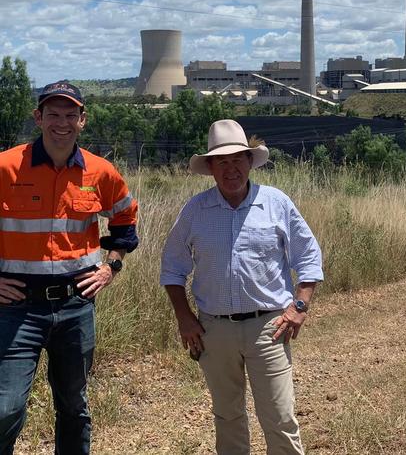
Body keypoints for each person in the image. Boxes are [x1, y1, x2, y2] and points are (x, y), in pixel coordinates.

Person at [161, 119, 323, 455]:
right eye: (222, 160)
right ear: (210, 167)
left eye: (237, 159)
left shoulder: (275, 203)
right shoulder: (195, 211)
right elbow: (172, 268)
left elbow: (308, 257)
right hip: (214, 330)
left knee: (279, 417)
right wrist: (184, 317)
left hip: (270, 327)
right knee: (228, 417)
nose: (230, 168)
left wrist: (300, 306)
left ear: (250, 161)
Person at [0, 80, 139, 454]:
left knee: (74, 405)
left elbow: (125, 221)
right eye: (53, 114)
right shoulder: (6, 167)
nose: (61, 122)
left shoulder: (101, 172)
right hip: (15, 310)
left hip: (75, 306)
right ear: (38, 118)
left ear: (83, 120)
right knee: (5, 408)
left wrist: (112, 266)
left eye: (70, 115)